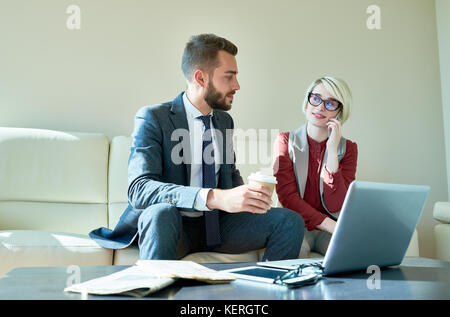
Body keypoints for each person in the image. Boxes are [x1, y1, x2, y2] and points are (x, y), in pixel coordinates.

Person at [90, 34, 304, 261]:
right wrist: (213, 197)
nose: (237, 86)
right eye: (229, 77)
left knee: (289, 221)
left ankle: (269, 288)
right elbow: (139, 189)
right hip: (173, 225)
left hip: (217, 226)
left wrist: (247, 197)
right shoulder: (153, 118)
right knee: (161, 213)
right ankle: (154, 291)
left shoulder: (224, 121)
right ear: (201, 78)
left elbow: (228, 173)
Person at [273, 77, 358, 256]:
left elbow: (337, 204)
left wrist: (332, 151)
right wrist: (331, 225)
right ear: (307, 102)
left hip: (329, 229)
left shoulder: (348, 149)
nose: (320, 107)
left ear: (340, 112)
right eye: (316, 98)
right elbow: (287, 198)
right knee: (296, 253)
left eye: (331, 103)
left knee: (349, 255)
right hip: (297, 224)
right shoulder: (285, 141)